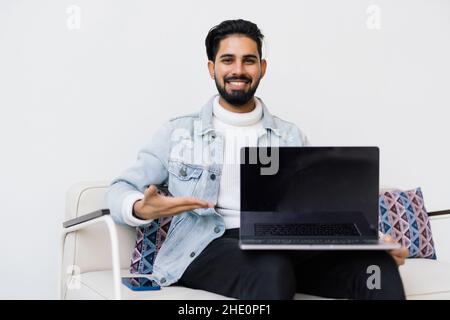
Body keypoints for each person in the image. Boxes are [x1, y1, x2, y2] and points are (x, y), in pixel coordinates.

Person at [106, 19, 408, 300]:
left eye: (248, 60)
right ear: (212, 68)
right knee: (271, 267)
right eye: (228, 60)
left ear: (262, 67)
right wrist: (140, 208)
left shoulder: (290, 135)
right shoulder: (179, 132)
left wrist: (369, 239)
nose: (238, 69)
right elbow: (119, 188)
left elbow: (317, 210)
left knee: (376, 267)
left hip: (283, 247)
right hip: (207, 245)